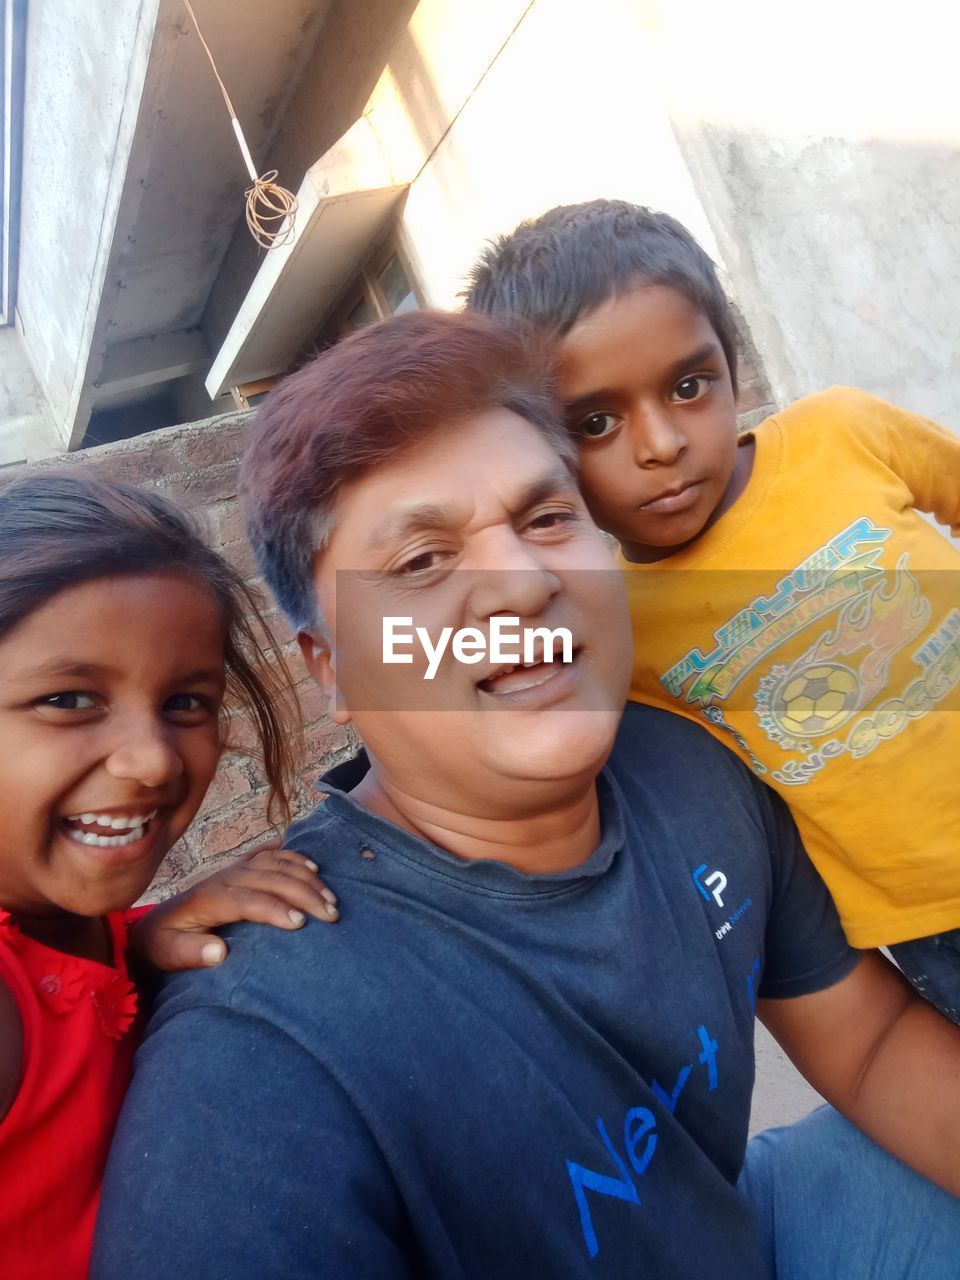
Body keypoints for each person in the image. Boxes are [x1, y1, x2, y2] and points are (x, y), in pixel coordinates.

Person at [93, 311, 960, 1278]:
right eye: (421, 562)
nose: (520, 583)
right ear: (329, 669)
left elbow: (872, 1040)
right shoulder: (265, 1057)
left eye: (547, 519)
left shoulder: (690, 761)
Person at [465, 199, 960, 1020]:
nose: (660, 443)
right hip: (932, 920)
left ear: (730, 363)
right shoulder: (608, 621)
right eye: (596, 422)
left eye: (690, 385)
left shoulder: (846, 435)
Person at [0, 471, 339, 1280]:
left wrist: (141, 941)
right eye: (69, 698)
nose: (151, 759)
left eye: (186, 703)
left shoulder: (79, 930)